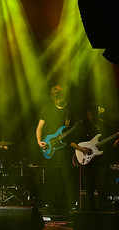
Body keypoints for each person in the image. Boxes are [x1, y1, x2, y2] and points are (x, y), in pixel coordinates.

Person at [35, 85, 77, 214]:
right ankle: (50, 204)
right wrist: (39, 141)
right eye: (55, 94)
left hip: (63, 146)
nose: (58, 99)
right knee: (50, 177)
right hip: (49, 145)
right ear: (52, 97)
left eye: (60, 94)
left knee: (67, 176)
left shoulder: (69, 109)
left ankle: (72, 205)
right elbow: (39, 127)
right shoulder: (47, 108)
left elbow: (69, 128)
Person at [72, 104, 119, 211]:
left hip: (101, 161)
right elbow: (71, 142)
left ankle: (102, 212)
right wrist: (82, 149)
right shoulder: (82, 126)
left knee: (102, 188)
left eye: (93, 114)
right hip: (86, 161)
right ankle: (91, 213)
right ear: (87, 114)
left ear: (97, 114)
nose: (92, 117)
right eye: (89, 115)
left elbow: (113, 144)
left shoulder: (105, 126)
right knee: (89, 188)